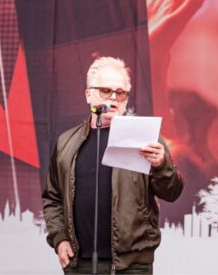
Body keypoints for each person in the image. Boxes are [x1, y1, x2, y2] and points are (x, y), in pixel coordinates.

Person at [42, 57, 183, 274]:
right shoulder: (66, 143)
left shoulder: (146, 138)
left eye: (121, 92)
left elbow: (172, 192)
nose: (114, 98)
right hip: (79, 264)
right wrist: (60, 239)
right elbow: (53, 199)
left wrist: (161, 165)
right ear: (89, 94)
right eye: (106, 90)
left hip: (132, 266)